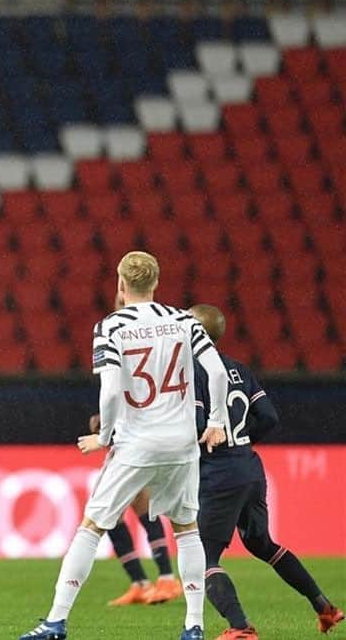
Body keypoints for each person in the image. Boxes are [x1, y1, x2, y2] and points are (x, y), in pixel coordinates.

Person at [19, 251, 230, 640]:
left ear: (120, 284)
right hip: (182, 442)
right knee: (186, 529)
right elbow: (216, 371)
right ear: (156, 283)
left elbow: (112, 389)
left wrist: (104, 437)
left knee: (92, 526)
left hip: (138, 442)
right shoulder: (183, 320)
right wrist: (216, 421)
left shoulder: (111, 327)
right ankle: (194, 626)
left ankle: (55, 621)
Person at [188, 303, 343, 639]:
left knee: (203, 559)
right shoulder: (239, 370)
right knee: (262, 543)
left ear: (195, 333)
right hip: (250, 466)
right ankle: (325, 607)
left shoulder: (195, 373)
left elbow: (197, 426)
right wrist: (241, 440)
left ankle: (241, 628)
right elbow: (270, 417)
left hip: (218, 472)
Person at [87, 414, 181, 606]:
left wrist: (106, 420)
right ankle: (146, 583)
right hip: (135, 443)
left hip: (139, 444)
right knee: (132, 508)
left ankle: (165, 580)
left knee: (109, 511)